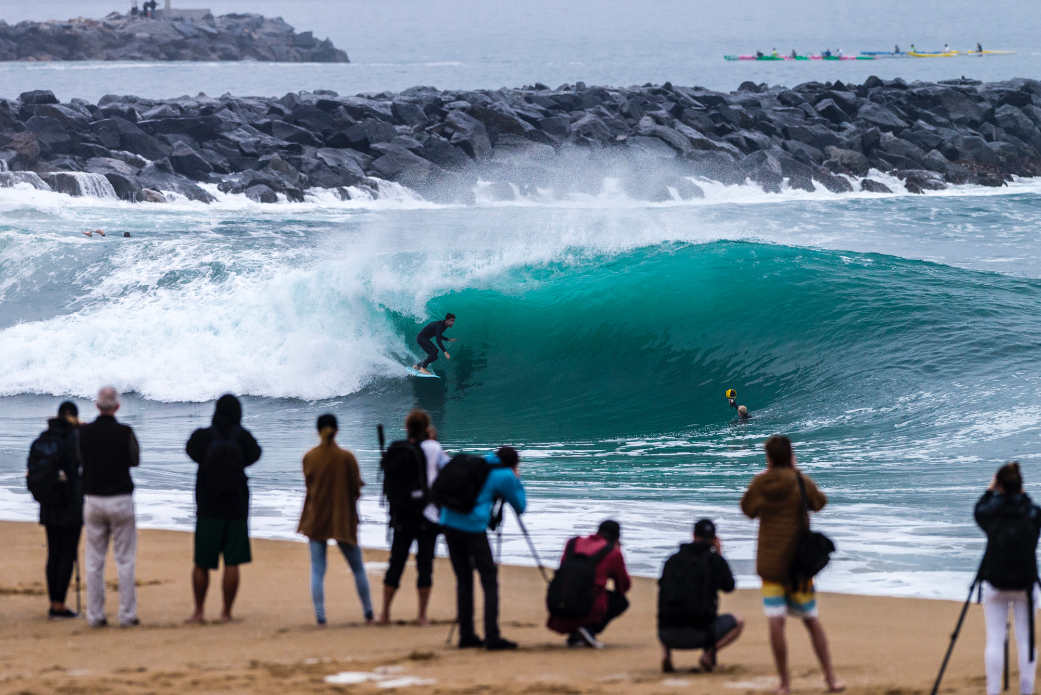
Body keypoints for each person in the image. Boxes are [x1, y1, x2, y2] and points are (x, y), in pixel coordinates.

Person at [741, 435, 843, 694]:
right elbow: (819, 503)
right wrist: (798, 474)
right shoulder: (799, 481)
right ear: (791, 455)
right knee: (811, 620)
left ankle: (784, 684)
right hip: (799, 567)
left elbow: (747, 509)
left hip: (771, 566)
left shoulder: (762, 483)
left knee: (776, 622)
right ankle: (831, 678)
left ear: (769, 458)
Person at [185, 395, 261, 623]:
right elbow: (255, 454)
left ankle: (199, 613)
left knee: (201, 562)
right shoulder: (243, 437)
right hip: (236, 506)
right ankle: (226, 613)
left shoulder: (204, 436)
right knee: (232, 561)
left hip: (208, 506)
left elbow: (190, 450)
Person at [441, 446, 526, 650]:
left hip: (448, 521)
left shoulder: (479, 463)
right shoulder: (504, 474)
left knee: (464, 580)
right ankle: (492, 636)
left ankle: (466, 634)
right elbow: (521, 506)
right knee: (489, 580)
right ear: (514, 464)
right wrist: (517, 479)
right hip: (472, 527)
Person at [298, 414, 373, 626]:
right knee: (357, 567)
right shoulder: (347, 458)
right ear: (337, 430)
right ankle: (368, 614)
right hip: (342, 518)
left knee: (318, 569)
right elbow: (356, 489)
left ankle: (321, 618)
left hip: (316, 517)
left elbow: (310, 486)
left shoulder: (309, 457)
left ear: (317, 430)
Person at [974, 462, 1041, 695]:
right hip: (1026, 583)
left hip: (995, 582)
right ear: (1021, 486)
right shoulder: (1032, 512)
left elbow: (978, 510)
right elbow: (1031, 509)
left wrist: (990, 489)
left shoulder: (992, 514)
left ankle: (993, 692)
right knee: (1025, 640)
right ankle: (1026, 691)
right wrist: (1021, 493)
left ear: (1000, 486)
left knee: (994, 639)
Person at [78, 387, 140, 628]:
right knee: (124, 560)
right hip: (121, 498)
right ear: (117, 407)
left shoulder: (84, 433)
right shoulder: (125, 432)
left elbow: (79, 459)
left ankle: (95, 615)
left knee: (94, 560)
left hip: (93, 499)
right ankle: (127, 615)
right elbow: (135, 459)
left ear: (96, 406)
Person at [379, 409, 443, 625]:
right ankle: (422, 615)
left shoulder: (397, 448)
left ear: (407, 428)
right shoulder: (433, 447)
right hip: (427, 515)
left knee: (396, 562)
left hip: (401, 514)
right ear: (427, 428)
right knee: (425, 564)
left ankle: (384, 614)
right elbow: (448, 469)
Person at [659, 519, 744, 673]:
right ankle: (708, 654)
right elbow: (729, 586)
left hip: (666, 634)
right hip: (702, 635)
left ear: (693, 535)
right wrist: (719, 554)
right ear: (714, 540)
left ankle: (666, 654)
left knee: (669, 606)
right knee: (738, 621)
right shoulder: (714, 561)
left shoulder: (672, 560)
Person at [28, 401, 83, 619]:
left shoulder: (44, 439)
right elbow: (77, 468)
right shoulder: (73, 440)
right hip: (70, 503)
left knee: (54, 553)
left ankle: (54, 601)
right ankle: (59, 605)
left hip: (49, 503)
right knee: (67, 554)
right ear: (75, 418)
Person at [546, 520, 632, 649]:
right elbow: (623, 587)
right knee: (621, 601)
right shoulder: (613, 553)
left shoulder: (572, 543)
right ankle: (588, 630)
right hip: (587, 608)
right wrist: (618, 553)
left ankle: (576, 633)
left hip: (558, 606)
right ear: (617, 537)